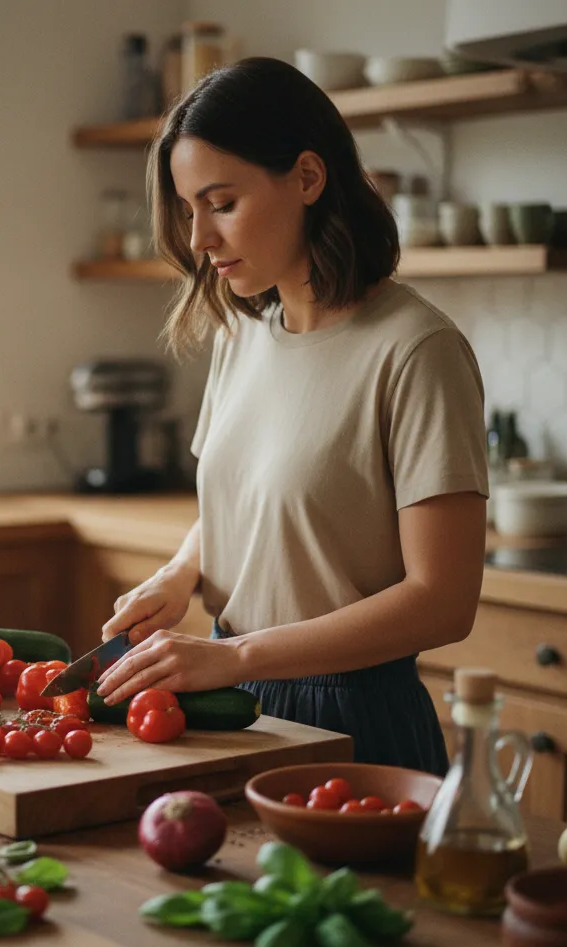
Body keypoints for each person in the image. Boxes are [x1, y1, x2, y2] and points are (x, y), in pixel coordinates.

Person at [95, 57, 489, 775]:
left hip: (353, 720)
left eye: (221, 202)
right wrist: (180, 576)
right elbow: (244, 505)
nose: (200, 239)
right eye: (189, 211)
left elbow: (443, 602)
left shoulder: (417, 350)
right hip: (227, 701)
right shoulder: (240, 335)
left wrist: (235, 654)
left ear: (308, 178)